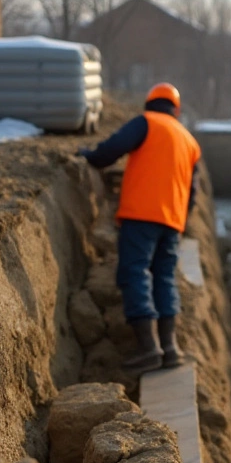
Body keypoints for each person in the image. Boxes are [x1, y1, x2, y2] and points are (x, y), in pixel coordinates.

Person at [79, 83, 201, 374]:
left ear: (150, 103)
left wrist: (90, 156)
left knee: (134, 272)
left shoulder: (146, 122)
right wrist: (180, 220)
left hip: (141, 216)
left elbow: (112, 149)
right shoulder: (189, 140)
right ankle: (170, 348)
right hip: (172, 221)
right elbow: (192, 192)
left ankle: (148, 348)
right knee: (164, 277)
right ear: (176, 108)